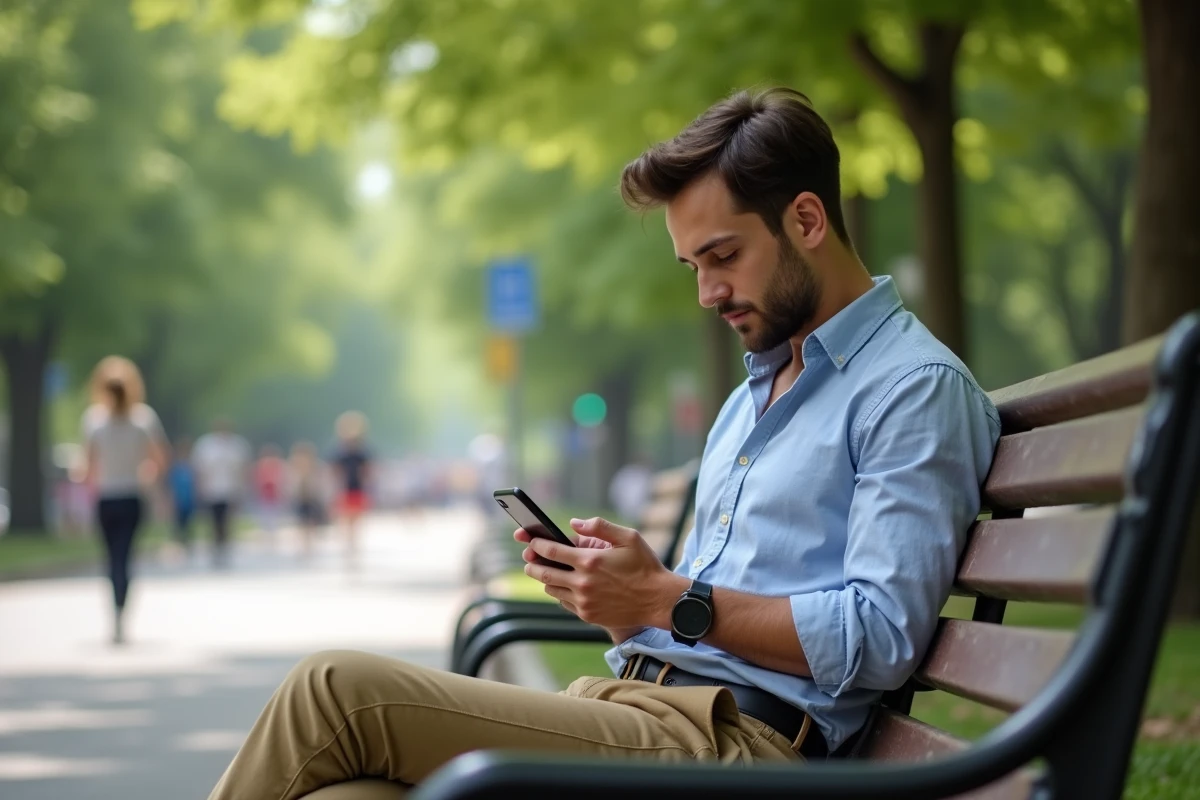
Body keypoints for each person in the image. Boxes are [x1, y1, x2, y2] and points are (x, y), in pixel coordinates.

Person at [208, 87, 1001, 799]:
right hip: (645, 712)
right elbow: (702, 615)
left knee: (334, 691)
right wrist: (622, 600)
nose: (707, 293)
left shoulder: (912, 389)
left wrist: (666, 598)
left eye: (723, 257)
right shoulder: (749, 399)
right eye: (692, 265)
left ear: (806, 219)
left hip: (740, 752)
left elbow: (882, 637)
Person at [82, 356, 169, 645]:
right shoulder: (143, 419)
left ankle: (115, 612)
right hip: (132, 496)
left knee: (111, 558)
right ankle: (121, 612)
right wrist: (146, 476)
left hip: (107, 498)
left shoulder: (94, 421)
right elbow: (159, 459)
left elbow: (88, 467)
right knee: (125, 555)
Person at [192, 418, 251, 568]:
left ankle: (225, 548)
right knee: (213, 521)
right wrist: (200, 487)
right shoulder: (206, 446)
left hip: (230, 490)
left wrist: (242, 488)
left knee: (227, 521)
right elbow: (200, 469)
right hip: (212, 491)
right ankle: (215, 548)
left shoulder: (236, 446)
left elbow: (243, 469)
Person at [331, 411, 372, 566]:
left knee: (356, 522)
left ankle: (353, 547)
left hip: (358, 490)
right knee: (346, 521)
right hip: (344, 490)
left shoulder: (363, 452)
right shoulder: (339, 452)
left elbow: (368, 471)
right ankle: (348, 547)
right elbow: (334, 471)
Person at [289, 441, 326, 560]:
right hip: (299, 498)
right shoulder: (294, 466)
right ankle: (303, 545)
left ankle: (309, 545)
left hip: (312, 498)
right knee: (301, 522)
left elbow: (320, 483)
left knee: (310, 522)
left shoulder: (316, 466)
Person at [166, 436, 197, 557]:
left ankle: (187, 543)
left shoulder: (191, 467)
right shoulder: (175, 468)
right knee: (178, 524)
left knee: (189, 524)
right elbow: (170, 485)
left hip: (189, 501)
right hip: (178, 501)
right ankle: (179, 545)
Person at [254, 443, 287, 545]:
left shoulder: (278, 465)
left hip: (274, 495)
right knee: (265, 516)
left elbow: (282, 480)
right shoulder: (261, 466)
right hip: (264, 495)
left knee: (274, 516)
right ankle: (266, 535)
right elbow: (257, 481)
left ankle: (272, 535)